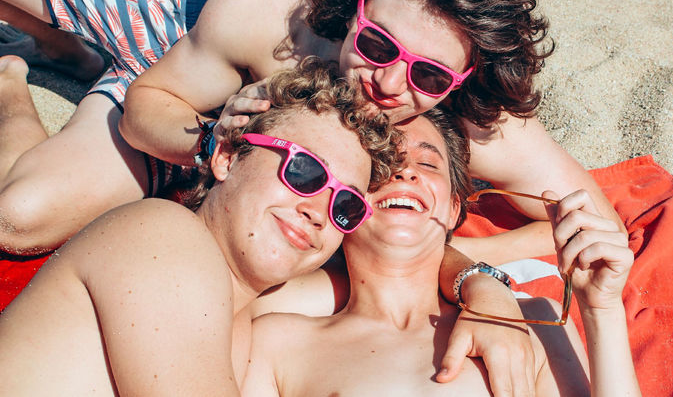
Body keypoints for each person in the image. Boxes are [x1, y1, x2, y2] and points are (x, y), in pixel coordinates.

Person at [0, 0, 620, 256]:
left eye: (429, 76)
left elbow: (596, 222)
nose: (389, 83)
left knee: (19, 218)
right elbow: (151, 103)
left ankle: (13, 78)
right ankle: (65, 48)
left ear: (461, 81)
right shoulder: (274, 8)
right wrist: (210, 138)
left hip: (196, 98)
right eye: (376, 44)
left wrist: (456, 255)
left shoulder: (477, 112)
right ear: (354, 8)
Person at [0, 59, 403, 395]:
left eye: (346, 204)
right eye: (304, 171)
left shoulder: (243, 323)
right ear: (227, 156)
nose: (319, 211)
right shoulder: (165, 237)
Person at [240, 109, 641, 397]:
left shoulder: (537, 322)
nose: (406, 172)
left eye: (429, 164)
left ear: (453, 209)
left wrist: (601, 310)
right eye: (383, 165)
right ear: (343, 200)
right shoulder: (276, 342)